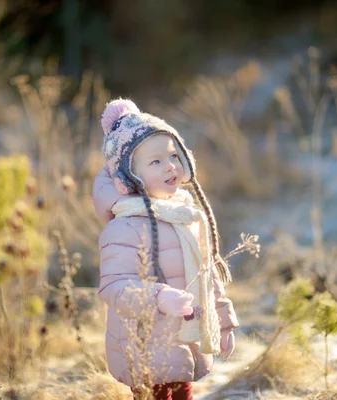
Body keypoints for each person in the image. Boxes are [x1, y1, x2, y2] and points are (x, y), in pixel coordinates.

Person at [92, 99, 239, 400]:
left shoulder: (185, 215)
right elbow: (113, 287)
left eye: (173, 155)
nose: (170, 165)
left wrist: (223, 324)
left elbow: (207, 276)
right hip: (145, 347)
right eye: (155, 161)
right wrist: (158, 297)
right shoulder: (124, 227)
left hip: (184, 343)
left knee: (183, 391)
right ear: (128, 178)